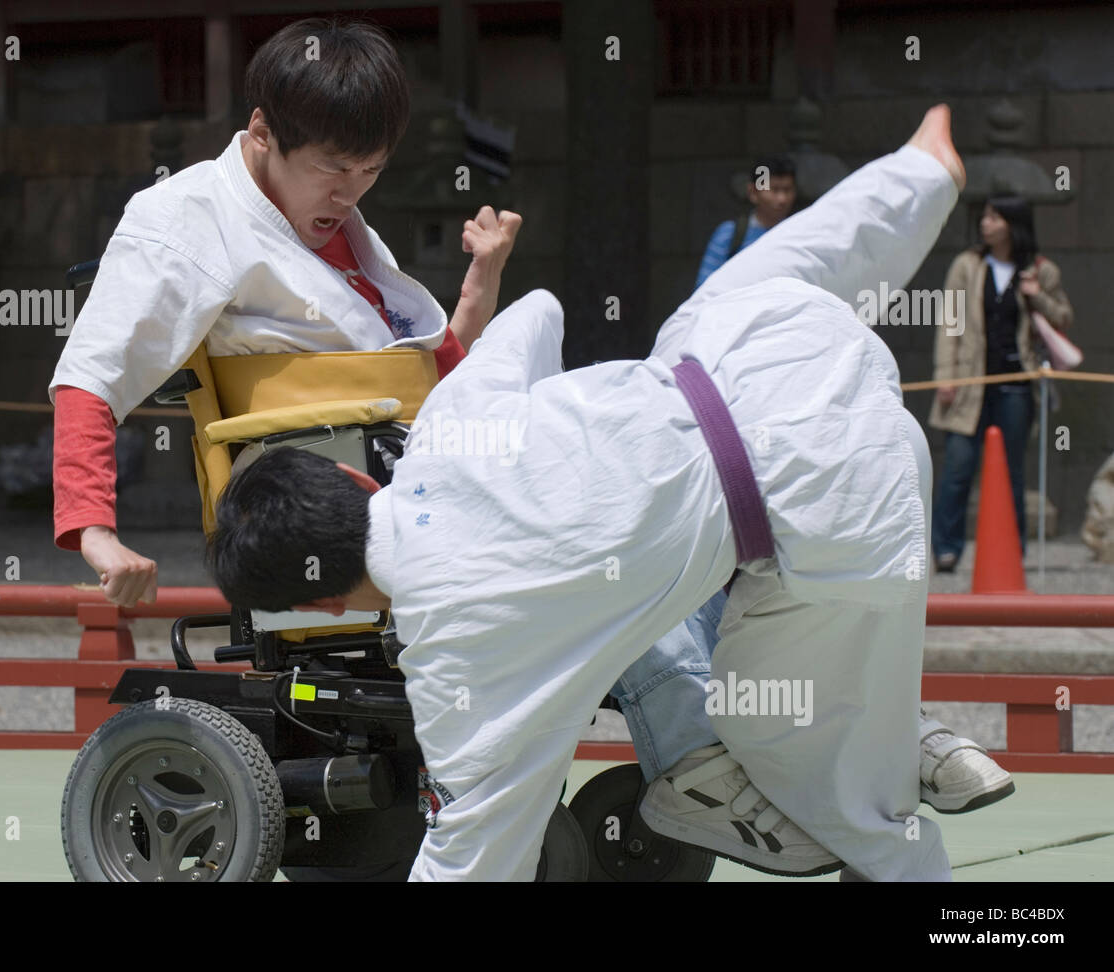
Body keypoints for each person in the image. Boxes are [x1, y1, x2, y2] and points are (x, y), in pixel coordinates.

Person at [210, 106, 977, 881]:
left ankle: (893, 781)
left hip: (845, 484)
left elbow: (469, 854)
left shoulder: (454, 663)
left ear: (319, 603)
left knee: (782, 736)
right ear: (354, 477)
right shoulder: (445, 432)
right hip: (764, 344)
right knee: (749, 288)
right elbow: (539, 315)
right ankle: (917, 174)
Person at [48, 18, 521, 604]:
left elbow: (428, 368)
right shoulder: (186, 217)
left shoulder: (338, 224)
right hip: (326, 509)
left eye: (370, 170)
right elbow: (90, 376)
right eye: (333, 167)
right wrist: (97, 534)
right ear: (263, 131)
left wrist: (482, 282)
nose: (350, 193)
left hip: (415, 467)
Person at [929, 195, 1074, 572]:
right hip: (970, 380)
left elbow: (1063, 317)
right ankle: (946, 549)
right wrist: (946, 376)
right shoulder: (967, 265)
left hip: (1017, 383)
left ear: (1013, 223)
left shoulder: (1040, 270)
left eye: (994, 218)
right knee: (958, 466)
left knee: (1012, 471)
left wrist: (1036, 295)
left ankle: (1013, 551)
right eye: (985, 217)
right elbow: (951, 324)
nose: (986, 223)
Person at [693, 155, 796, 291]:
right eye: (774, 190)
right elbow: (704, 289)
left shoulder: (797, 234)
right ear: (753, 192)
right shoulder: (729, 235)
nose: (782, 198)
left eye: (787, 190)